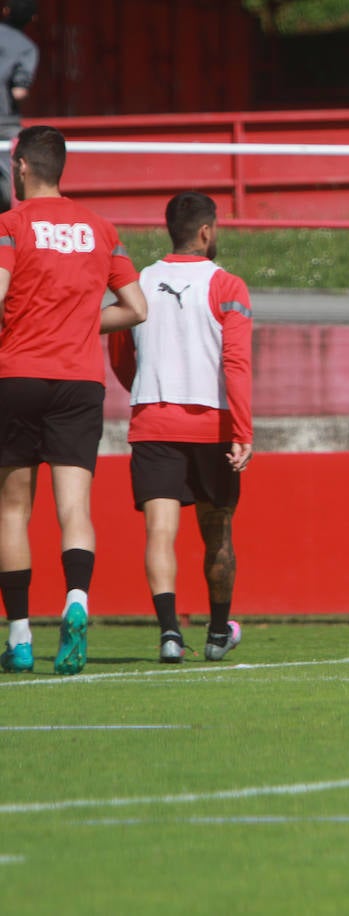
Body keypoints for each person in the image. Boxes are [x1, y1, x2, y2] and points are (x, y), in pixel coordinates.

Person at [0, 125, 148, 675]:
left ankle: (18, 638)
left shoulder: (11, 226)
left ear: (20, 168)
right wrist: (84, 323)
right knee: (74, 509)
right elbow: (135, 308)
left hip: (17, 373)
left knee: (13, 507)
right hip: (80, 379)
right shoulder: (102, 229)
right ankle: (78, 601)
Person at [107, 191, 253, 663]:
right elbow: (236, 363)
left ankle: (170, 634)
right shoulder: (228, 285)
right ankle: (215, 634)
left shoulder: (141, 281)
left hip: (152, 420)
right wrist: (243, 429)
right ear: (207, 231)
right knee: (218, 533)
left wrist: (148, 387)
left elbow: (121, 357)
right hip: (213, 425)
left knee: (159, 534)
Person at [0, 2, 38, 213]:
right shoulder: (26, 47)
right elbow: (19, 91)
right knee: (10, 175)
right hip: (4, 120)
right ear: (32, 19)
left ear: (5, 11)